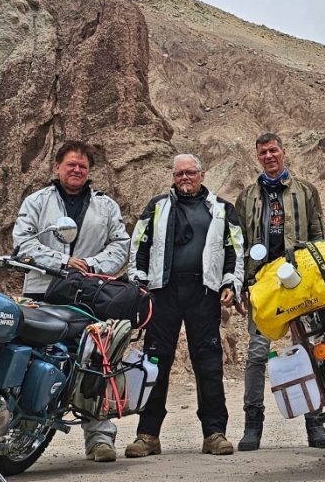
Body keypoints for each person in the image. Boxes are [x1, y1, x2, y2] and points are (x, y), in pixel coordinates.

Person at [12, 140, 130, 463]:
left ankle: (99, 437)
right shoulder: (36, 202)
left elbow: (121, 244)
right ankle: (17, 429)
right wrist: (62, 263)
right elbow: (22, 243)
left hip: (87, 296)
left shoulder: (106, 206)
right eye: (71, 164)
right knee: (27, 359)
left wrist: (90, 266)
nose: (77, 170)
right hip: (40, 294)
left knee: (96, 359)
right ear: (56, 167)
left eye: (83, 166)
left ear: (89, 171)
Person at [123, 154, 243, 458]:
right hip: (163, 292)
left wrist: (230, 283)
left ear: (202, 175)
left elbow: (235, 250)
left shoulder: (222, 209)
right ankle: (148, 435)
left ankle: (214, 433)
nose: (185, 178)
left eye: (190, 172)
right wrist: (139, 284)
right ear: (173, 177)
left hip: (204, 292)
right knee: (155, 361)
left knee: (209, 362)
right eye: (179, 174)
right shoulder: (157, 206)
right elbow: (139, 245)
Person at [235, 133, 325, 451]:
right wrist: (242, 284)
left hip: (299, 279)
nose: (269, 156)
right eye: (263, 152)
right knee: (257, 353)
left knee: (306, 347)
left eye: (273, 150)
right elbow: (239, 244)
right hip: (261, 283)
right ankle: (252, 426)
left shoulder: (306, 191)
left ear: (283, 152)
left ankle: (315, 423)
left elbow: (318, 235)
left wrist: (320, 277)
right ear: (257, 157)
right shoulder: (247, 197)